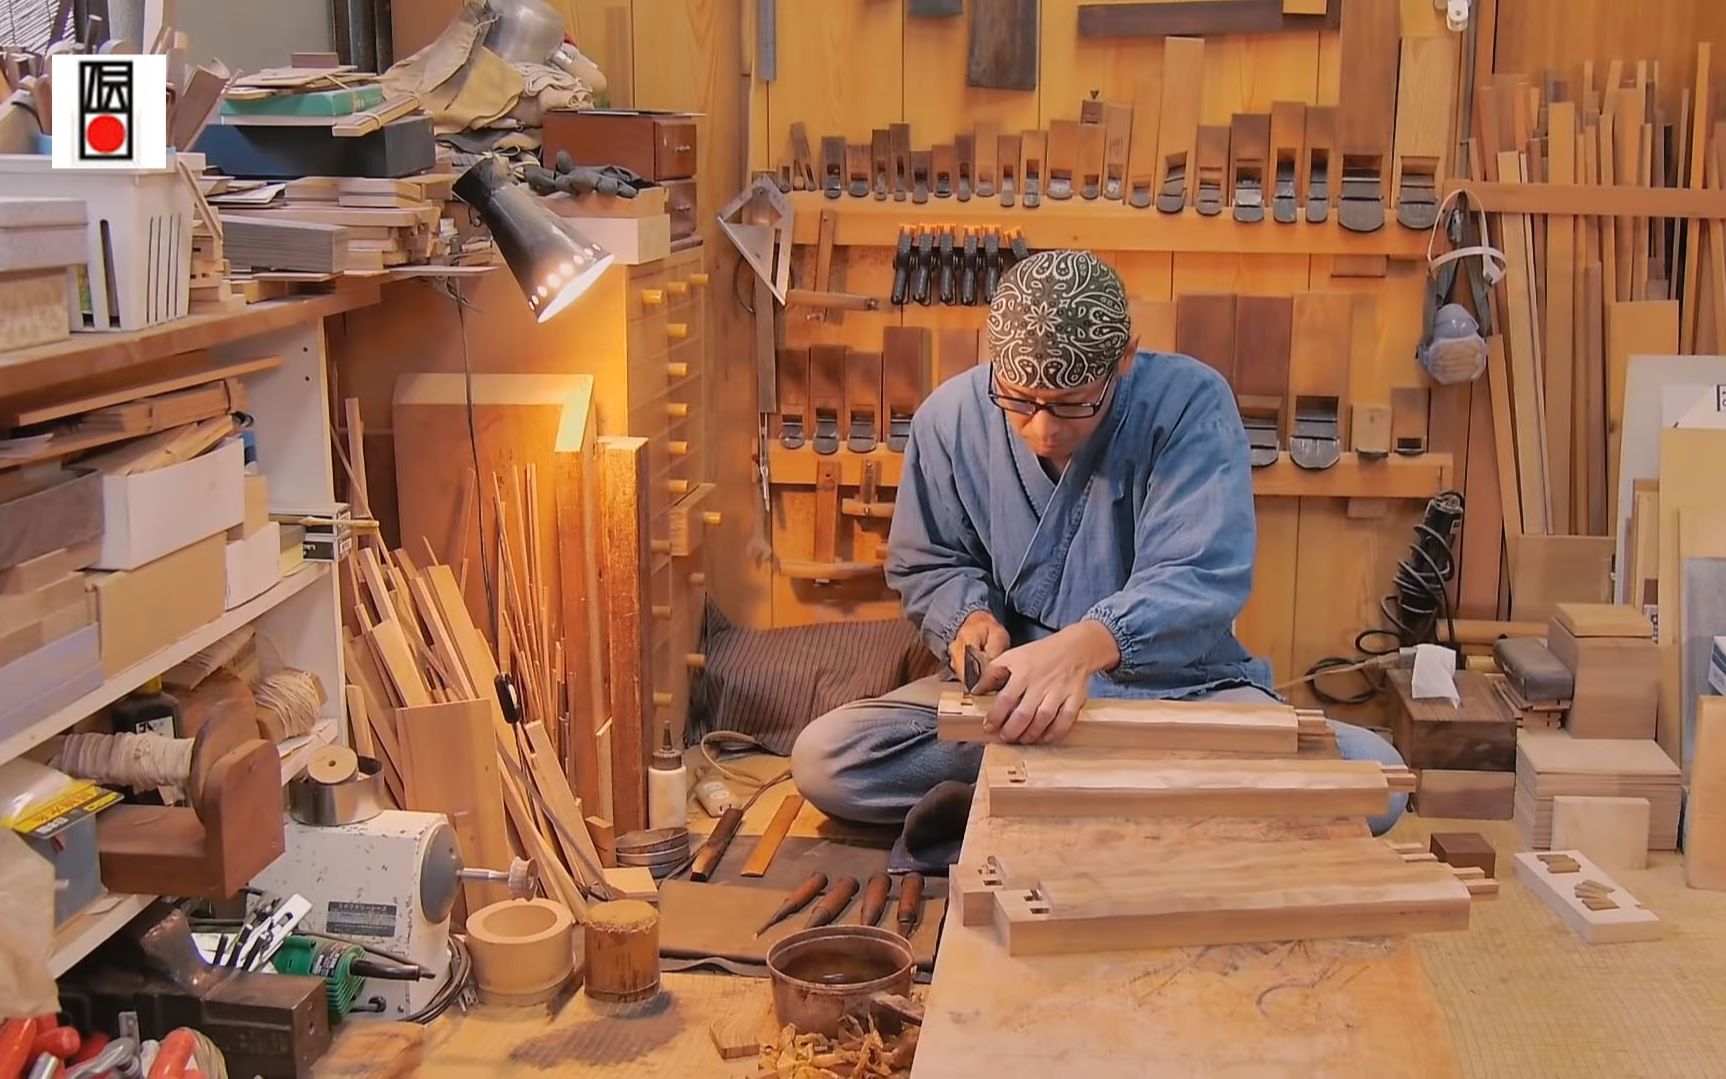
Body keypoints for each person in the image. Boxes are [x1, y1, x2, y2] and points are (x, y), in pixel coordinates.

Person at [790, 249, 1408, 838]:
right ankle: (1145, 800)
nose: (1043, 430)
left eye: (1071, 406)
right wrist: (967, 620)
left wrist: (1087, 647)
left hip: (1177, 692)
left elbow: (1200, 575)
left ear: (1126, 360)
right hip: (1017, 700)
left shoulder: (1190, 404)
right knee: (828, 759)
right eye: (1020, 403)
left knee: (1374, 779)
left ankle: (1044, 793)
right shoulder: (947, 419)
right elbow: (931, 562)